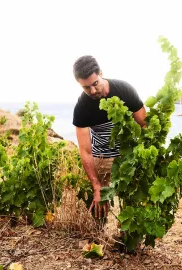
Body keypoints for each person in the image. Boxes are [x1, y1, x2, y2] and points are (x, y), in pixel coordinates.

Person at [72, 55, 146, 221]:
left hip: (129, 157)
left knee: (133, 208)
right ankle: (98, 241)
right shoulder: (82, 107)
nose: (92, 91)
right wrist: (97, 187)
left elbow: (144, 126)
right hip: (102, 159)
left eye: (95, 84)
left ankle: (126, 242)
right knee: (98, 207)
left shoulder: (124, 90)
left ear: (101, 74)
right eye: (85, 87)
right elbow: (85, 151)